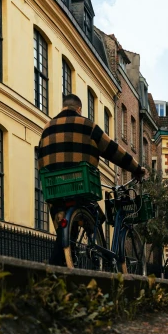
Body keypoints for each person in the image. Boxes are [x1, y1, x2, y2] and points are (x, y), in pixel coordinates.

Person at [38, 93, 145, 265]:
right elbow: (113, 150)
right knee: (97, 216)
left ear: (63, 107)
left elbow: (41, 161)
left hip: (55, 191)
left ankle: (61, 268)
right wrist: (136, 168)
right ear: (78, 109)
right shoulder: (87, 125)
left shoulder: (46, 129)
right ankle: (96, 254)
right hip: (81, 188)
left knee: (64, 236)